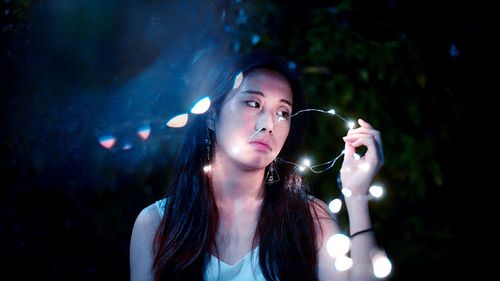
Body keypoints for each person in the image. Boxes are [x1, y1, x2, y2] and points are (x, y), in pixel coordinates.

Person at [130, 52, 385, 281]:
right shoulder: (157, 223)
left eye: (283, 112)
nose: (269, 124)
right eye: (253, 103)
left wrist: (357, 195)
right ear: (211, 114)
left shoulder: (310, 218)